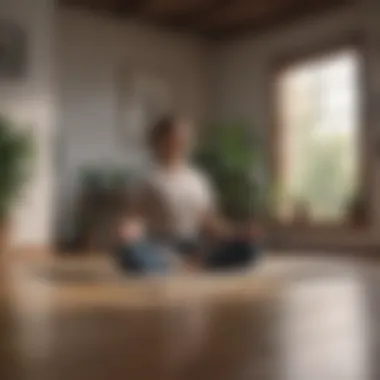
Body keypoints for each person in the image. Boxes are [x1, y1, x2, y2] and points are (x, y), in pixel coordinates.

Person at [115, 116, 261, 274]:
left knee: (249, 249)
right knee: (131, 255)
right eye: (174, 138)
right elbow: (134, 218)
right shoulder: (146, 179)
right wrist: (128, 233)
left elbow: (209, 222)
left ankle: (189, 263)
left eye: (184, 138)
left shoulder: (198, 179)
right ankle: (174, 263)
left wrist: (238, 233)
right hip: (161, 246)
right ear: (159, 141)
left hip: (194, 247)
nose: (180, 142)